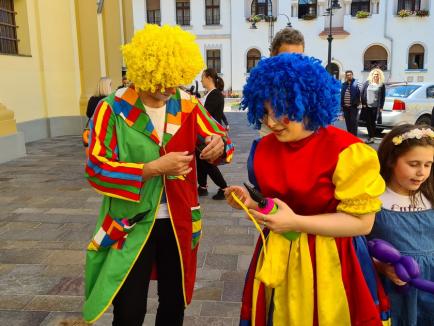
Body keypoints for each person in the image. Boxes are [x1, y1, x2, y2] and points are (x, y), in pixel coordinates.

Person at [83, 24, 234, 326]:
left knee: (174, 305)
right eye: (161, 82)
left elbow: (225, 144)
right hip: (129, 223)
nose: (169, 90)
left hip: (179, 222)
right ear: (144, 72)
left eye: (175, 82)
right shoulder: (111, 108)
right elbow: (96, 169)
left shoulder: (188, 105)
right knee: (129, 310)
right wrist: (152, 169)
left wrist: (219, 145)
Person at [225, 53, 391, 325]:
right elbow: (278, 204)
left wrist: (296, 222)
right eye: (265, 111)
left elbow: (362, 223)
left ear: (309, 104)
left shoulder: (348, 151)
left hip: (331, 260)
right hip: (278, 256)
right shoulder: (265, 148)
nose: (271, 122)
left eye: (282, 111)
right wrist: (253, 203)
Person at [368, 124, 434, 326]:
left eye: (428, 164)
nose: (421, 172)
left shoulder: (430, 194)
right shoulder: (373, 198)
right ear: (391, 160)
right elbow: (359, 244)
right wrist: (380, 267)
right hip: (393, 285)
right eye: (413, 164)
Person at [259, 27, 305, 137]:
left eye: (299, 58)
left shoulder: (307, 82)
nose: (293, 64)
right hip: (272, 132)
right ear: (273, 56)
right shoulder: (263, 80)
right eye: (286, 58)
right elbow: (260, 110)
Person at [197, 68, 230, 200]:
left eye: (202, 77)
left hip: (210, 135)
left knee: (208, 162)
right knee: (201, 160)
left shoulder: (215, 94)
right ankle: (203, 187)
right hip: (206, 135)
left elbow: (205, 115)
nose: (201, 80)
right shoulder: (211, 94)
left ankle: (224, 188)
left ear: (209, 77)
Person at [361, 68, 386, 144]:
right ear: (372, 75)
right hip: (367, 106)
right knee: (368, 122)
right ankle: (371, 137)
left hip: (376, 107)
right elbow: (362, 93)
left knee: (373, 123)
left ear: (379, 76)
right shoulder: (367, 83)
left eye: (377, 74)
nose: (376, 76)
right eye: (374, 74)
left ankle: (371, 137)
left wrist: (381, 107)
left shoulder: (381, 85)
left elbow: (382, 97)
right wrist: (363, 104)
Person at [340, 70, 361, 136]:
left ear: (352, 75)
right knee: (348, 122)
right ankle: (350, 135)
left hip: (353, 107)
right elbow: (342, 95)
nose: (349, 76)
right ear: (346, 76)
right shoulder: (344, 84)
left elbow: (361, 93)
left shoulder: (356, 83)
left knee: (353, 122)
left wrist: (359, 102)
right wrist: (341, 106)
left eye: (350, 75)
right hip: (345, 107)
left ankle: (354, 136)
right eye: (347, 75)